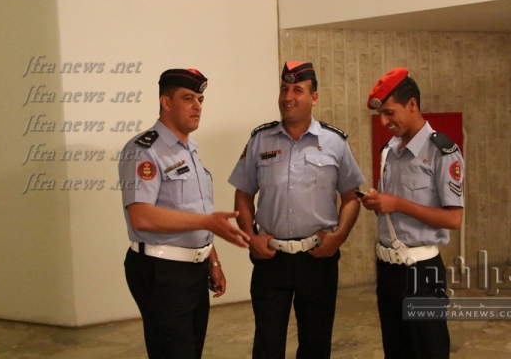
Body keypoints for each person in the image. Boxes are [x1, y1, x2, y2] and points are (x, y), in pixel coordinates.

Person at [228, 61, 366, 359]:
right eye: (284, 89)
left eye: (297, 90)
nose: (288, 97)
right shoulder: (260, 139)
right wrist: (251, 238)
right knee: (267, 344)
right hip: (271, 259)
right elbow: (243, 193)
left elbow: (351, 196)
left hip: (318, 258)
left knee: (316, 344)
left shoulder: (334, 141)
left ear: (314, 97)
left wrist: (339, 237)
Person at [118, 68, 250, 359]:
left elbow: (194, 211)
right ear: (165, 102)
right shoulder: (144, 150)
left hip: (194, 270)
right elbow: (141, 216)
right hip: (161, 271)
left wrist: (212, 260)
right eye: (188, 98)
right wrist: (207, 222)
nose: (197, 106)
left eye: (200, 100)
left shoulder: (188, 151)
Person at [359, 67, 465, 359]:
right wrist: (378, 203)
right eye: (381, 114)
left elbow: (454, 219)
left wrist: (398, 204)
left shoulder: (442, 151)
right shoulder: (389, 151)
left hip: (421, 271)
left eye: (389, 113)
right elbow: (392, 207)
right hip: (387, 268)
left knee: (429, 351)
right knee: (396, 350)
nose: (384, 121)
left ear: (412, 105)